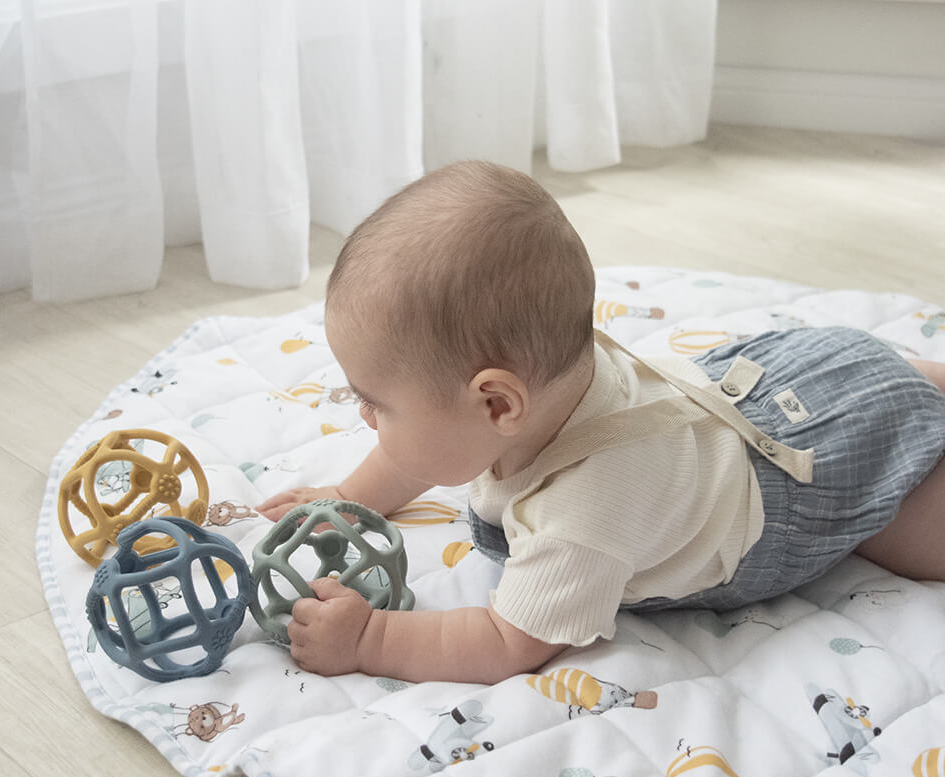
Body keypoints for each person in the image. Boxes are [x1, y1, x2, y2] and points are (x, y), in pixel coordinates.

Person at [256, 161, 945, 683]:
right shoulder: (554, 380)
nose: (364, 414)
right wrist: (349, 496)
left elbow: (506, 642)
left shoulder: (583, 516)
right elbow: (421, 449)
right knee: (891, 380)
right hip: (785, 380)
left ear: (497, 404)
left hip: (805, 478)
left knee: (921, 533)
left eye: (377, 402)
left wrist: (369, 641)